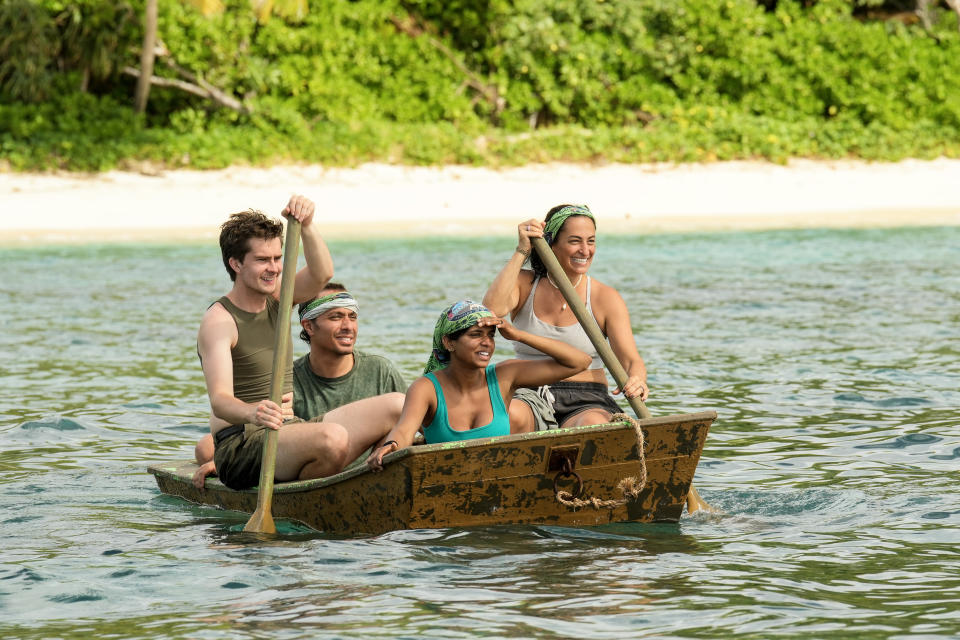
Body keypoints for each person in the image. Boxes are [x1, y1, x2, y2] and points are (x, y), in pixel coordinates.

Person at [196, 195, 389, 491]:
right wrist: (254, 411)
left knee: (397, 405)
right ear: (235, 263)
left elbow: (322, 272)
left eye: (277, 258)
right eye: (262, 260)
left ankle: (350, 472)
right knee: (333, 438)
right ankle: (305, 495)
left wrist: (308, 225)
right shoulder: (219, 322)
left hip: (288, 427)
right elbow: (220, 401)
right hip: (240, 444)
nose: (274, 268)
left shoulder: (278, 298)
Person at [192, 283, 406, 488]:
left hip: (366, 476)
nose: (348, 326)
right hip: (311, 469)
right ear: (309, 326)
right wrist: (225, 464)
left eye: (352, 317)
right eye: (335, 317)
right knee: (330, 439)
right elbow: (215, 443)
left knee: (401, 407)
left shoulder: (381, 370)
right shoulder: (284, 379)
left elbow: (416, 426)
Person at [366, 300, 591, 471]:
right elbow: (404, 430)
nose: (486, 342)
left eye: (490, 335)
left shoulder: (504, 375)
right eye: (476, 335)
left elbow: (580, 362)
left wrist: (518, 335)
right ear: (449, 342)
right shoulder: (426, 388)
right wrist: (391, 446)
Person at [481, 204, 648, 432]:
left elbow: (630, 360)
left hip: (587, 399)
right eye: (574, 241)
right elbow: (492, 309)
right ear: (551, 244)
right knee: (510, 417)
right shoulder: (524, 283)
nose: (585, 250)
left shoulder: (605, 297)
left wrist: (637, 378)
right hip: (530, 393)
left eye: (591, 241)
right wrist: (522, 251)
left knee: (593, 426)